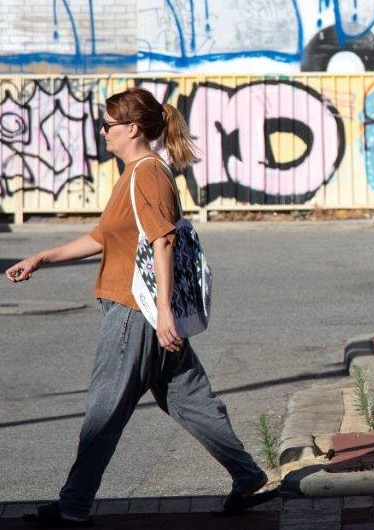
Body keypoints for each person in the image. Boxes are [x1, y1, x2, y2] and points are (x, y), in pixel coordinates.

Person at [5, 87, 274, 527]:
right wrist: (41, 258)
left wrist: (163, 312)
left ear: (131, 129)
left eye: (108, 126)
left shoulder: (147, 173)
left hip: (136, 311)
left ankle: (73, 505)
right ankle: (246, 475)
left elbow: (162, 241)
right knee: (190, 399)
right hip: (148, 313)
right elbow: (102, 237)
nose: (103, 132)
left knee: (105, 408)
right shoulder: (134, 173)